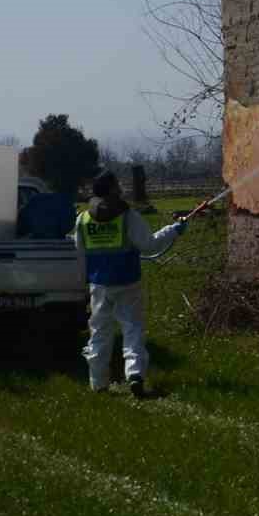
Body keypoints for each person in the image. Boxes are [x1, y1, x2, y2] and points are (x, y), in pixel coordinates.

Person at [74, 169, 187, 397]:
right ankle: (135, 375)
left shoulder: (83, 218)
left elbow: (80, 251)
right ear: (113, 189)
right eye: (117, 185)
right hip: (127, 281)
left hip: (99, 285)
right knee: (132, 329)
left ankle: (98, 383)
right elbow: (149, 245)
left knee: (99, 333)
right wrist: (174, 230)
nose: (121, 188)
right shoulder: (128, 215)